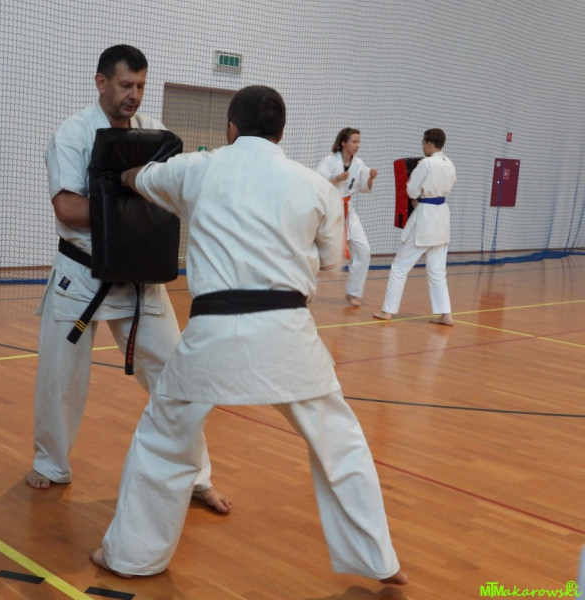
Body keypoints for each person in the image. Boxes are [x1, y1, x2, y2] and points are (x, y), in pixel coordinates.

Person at [91, 85, 407, 586]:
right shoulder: (315, 186)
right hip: (289, 337)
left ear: (230, 129)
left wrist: (121, 172)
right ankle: (380, 562)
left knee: (163, 437)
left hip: (211, 337)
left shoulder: (197, 169)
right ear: (281, 133)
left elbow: (139, 178)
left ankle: (131, 557)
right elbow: (332, 261)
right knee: (341, 442)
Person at [26, 45, 229, 513]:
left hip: (140, 275)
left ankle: (197, 476)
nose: (134, 94)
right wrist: (134, 210)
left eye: (140, 85)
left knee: (176, 374)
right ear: (101, 82)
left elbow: (168, 197)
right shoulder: (73, 134)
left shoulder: (153, 133)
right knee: (60, 378)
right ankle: (51, 462)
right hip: (80, 274)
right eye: (125, 85)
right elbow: (68, 208)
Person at [373, 128, 455, 325]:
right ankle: (446, 315)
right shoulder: (450, 164)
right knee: (437, 271)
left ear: (429, 143)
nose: (422, 147)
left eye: (423, 143)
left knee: (400, 267)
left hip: (425, 218)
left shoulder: (426, 163)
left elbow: (411, 190)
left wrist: (416, 198)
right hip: (442, 217)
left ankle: (387, 311)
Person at [316, 128, 377, 307]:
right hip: (329, 209)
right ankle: (303, 289)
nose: (357, 145)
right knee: (316, 252)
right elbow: (317, 184)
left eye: (358, 142)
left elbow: (363, 187)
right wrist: (336, 179)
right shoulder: (328, 161)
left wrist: (371, 179)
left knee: (363, 250)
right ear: (343, 142)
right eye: (354, 141)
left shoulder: (359, 164)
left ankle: (353, 292)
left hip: (348, 210)